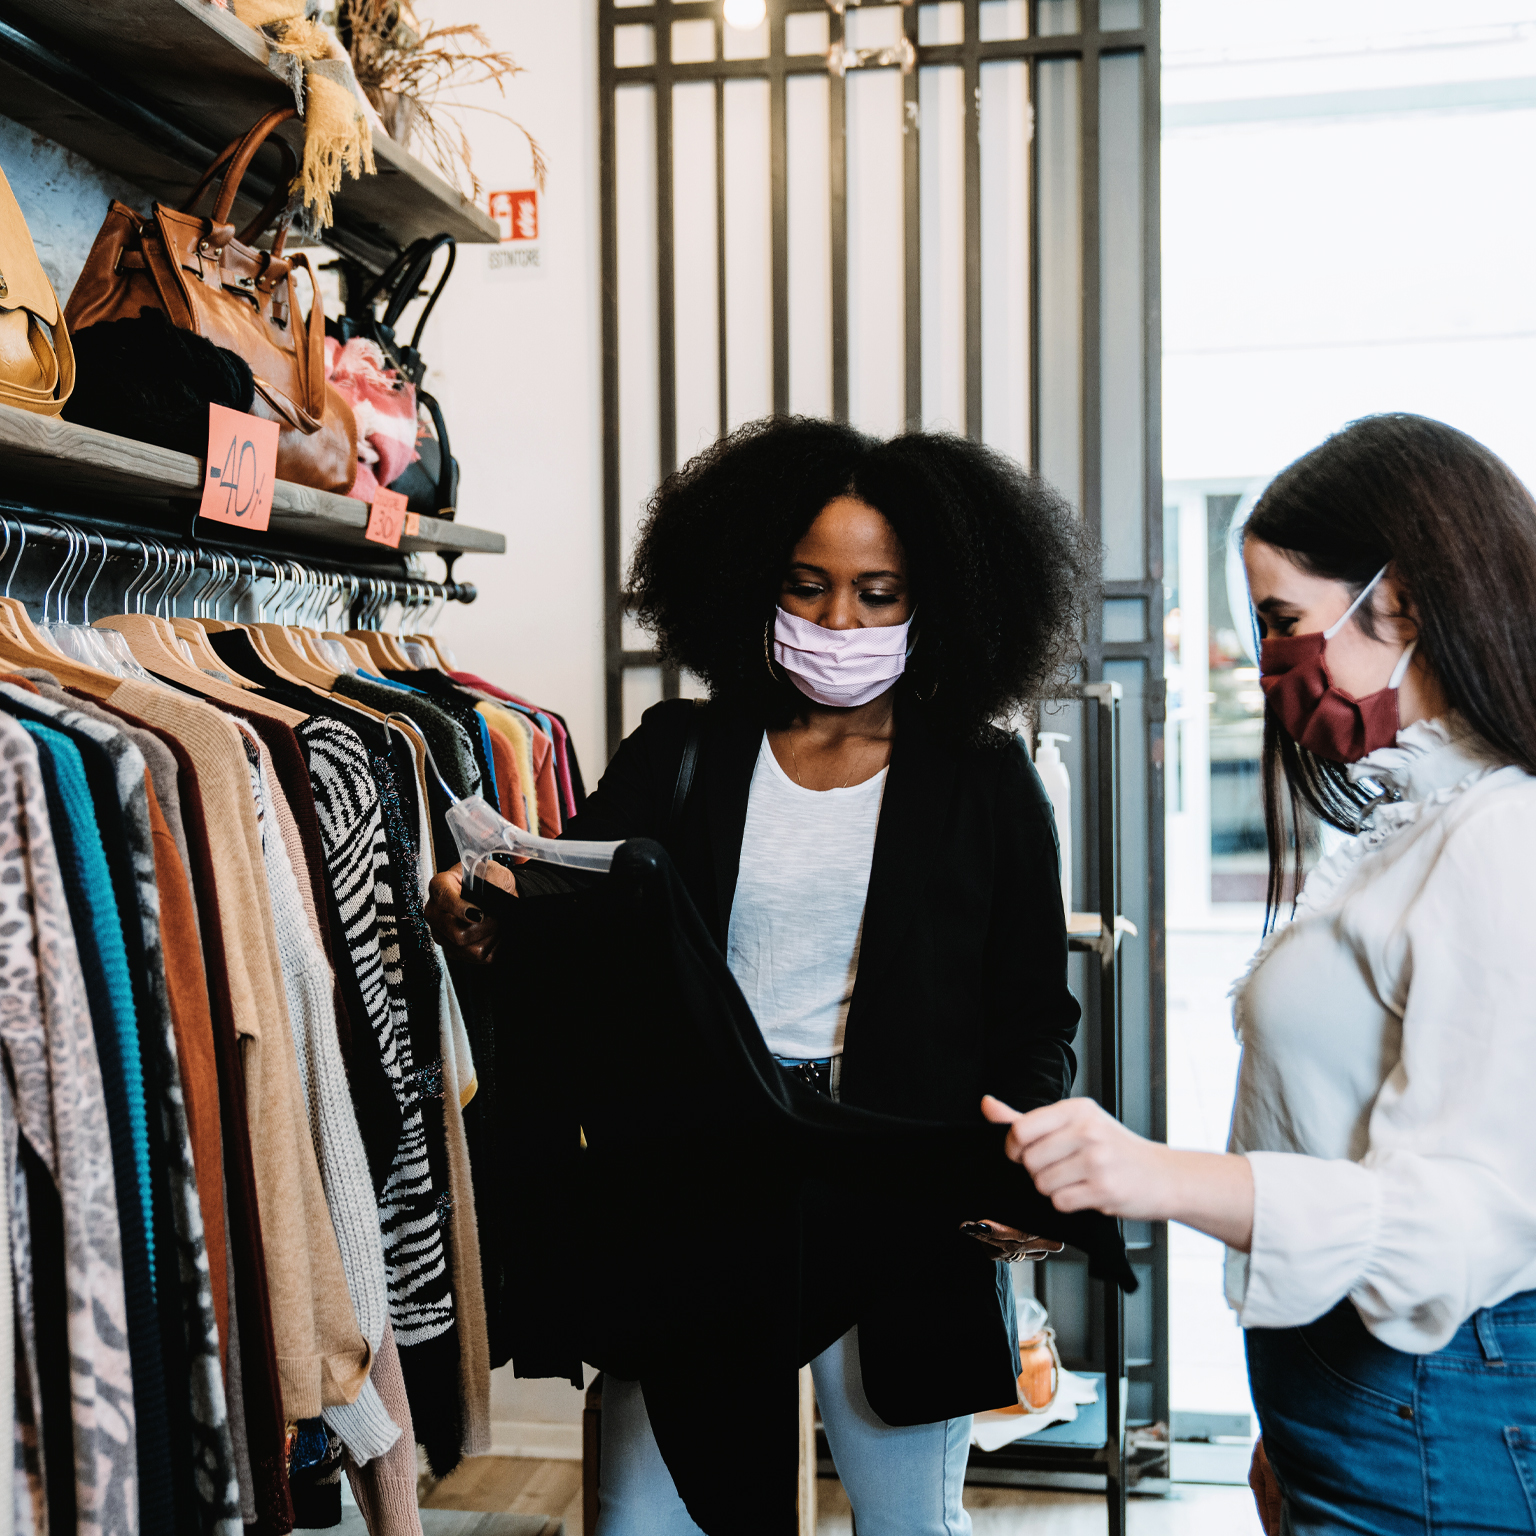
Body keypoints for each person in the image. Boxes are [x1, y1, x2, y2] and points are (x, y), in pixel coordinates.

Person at [426, 415, 1098, 1535]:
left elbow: (1034, 1010)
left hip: (894, 1183)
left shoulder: (983, 779)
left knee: (906, 1518)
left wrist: (1012, 1160)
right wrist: (484, 921)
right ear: (754, 584)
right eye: (808, 586)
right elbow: (568, 927)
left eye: (879, 593)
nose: (841, 621)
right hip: (701, 1167)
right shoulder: (680, 751)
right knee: (643, 1514)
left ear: (935, 599)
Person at [984, 413, 1536, 1535]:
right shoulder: (1410, 818)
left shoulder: (1498, 839)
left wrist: (1147, 1177)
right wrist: (1287, 1427)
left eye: (1284, 623)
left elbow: (1461, 1221)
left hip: (1428, 1397)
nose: (1269, 664)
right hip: (1353, 1392)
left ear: (1406, 603)